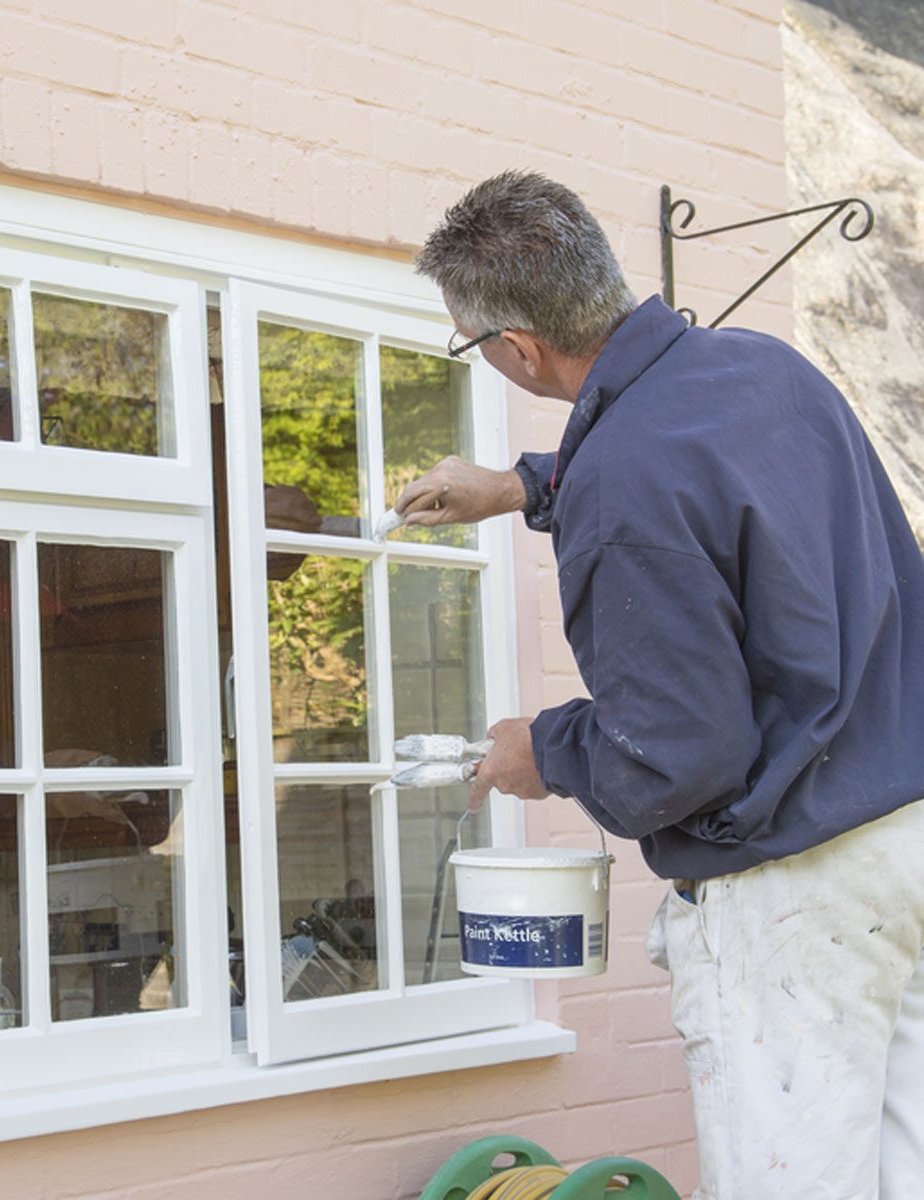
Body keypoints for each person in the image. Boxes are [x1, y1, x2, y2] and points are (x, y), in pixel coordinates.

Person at [395, 170, 924, 1200]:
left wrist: (537, 751)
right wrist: (521, 486)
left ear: (516, 347)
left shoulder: (624, 483)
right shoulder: (768, 370)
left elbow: (680, 752)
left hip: (798, 884)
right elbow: (695, 474)